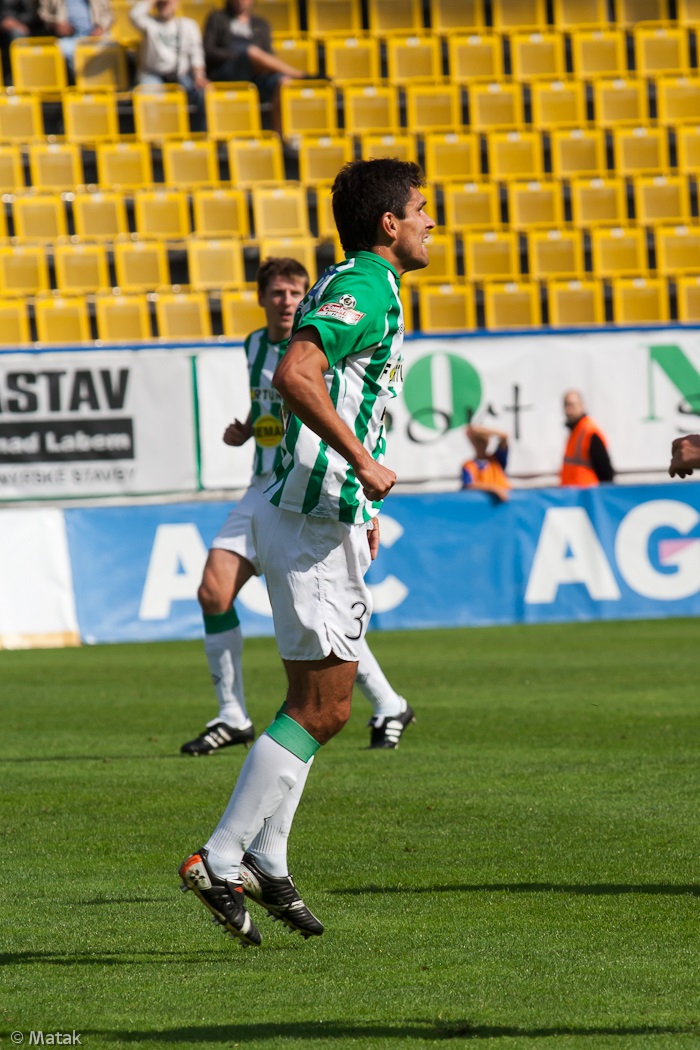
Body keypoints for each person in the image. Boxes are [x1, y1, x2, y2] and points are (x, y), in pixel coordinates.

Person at [178, 158, 435, 948]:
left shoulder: (354, 283)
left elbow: (332, 385)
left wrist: (362, 499)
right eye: (421, 209)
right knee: (326, 707)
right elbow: (298, 373)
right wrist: (361, 463)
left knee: (309, 703)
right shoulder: (367, 287)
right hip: (314, 516)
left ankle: (268, 857)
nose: (430, 222)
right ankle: (222, 856)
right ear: (389, 223)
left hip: (316, 511)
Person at [182, 256, 414, 758]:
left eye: (295, 292)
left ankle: (388, 702)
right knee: (213, 593)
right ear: (262, 298)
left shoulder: (321, 338)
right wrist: (249, 428)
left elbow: (350, 407)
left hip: (307, 491)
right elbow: (272, 403)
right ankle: (232, 715)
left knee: (322, 617)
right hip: (261, 488)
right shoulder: (253, 345)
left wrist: (365, 488)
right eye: (278, 293)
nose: (287, 301)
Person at [203, 0, 307, 135]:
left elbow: (268, 55)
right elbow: (208, 50)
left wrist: (257, 63)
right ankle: (301, 75)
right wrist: (235, 55)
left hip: (256, 74)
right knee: (252, 51)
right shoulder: (218, 19)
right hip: (228, 70)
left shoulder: (261, 24)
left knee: (283, 82)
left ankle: (280, 137)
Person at [130, 0, 208, 131]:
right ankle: (156, 135)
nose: (165, 5)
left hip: (180, 75)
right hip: (152, 74)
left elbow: (196, 53)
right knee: (149, 95)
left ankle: (200, 134)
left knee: (203, 93)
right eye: (162, 3)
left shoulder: (188, 25)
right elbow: (134, 15)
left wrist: (199, 76)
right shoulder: (149, 23)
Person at [39, 0, 111, 78]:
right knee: (63, 49)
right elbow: (43, 14)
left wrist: (101, 28)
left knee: (108, 48)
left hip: (97, 37)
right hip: (69, 38)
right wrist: (56, 23)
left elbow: (109, 15)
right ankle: (81, 80)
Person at [560, 389, 614, 487]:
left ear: (581, 405)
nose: (568, 410)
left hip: (587, 493)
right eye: (566, 405)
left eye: (572, 405)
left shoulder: (589, 432)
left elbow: (605, 472)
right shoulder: (575, 431)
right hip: (573, 493)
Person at [461, 424, 510, 502]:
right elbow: (469, 484)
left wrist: (483, 430)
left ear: (488, 442)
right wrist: (494, 489)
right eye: (478, 441)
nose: (481, 444)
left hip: (503, 503)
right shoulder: (468, 465)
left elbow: (504, 436)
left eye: (483, 440)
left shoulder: (497, 459)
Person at [0, 0, 41, 84]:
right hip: (2, 27)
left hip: (17, 28)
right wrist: (3, 22)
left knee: (17, 35)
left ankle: (21, 78)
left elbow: (30, 15)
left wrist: (15, 22)